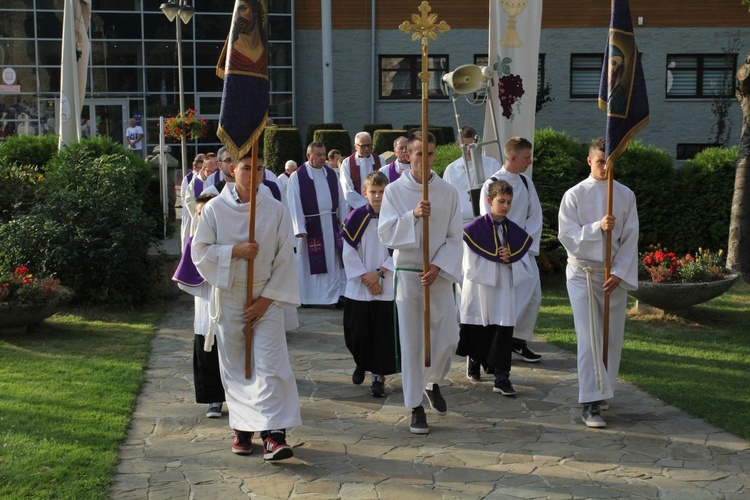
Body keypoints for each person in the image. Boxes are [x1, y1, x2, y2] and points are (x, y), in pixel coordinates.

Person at [192, 152, 301, 460]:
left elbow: (284, 258)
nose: (253, 173)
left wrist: (265, 301)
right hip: (230, 295)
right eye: (246, 167)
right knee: (238, 367)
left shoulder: (276, 210)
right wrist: (235, 251)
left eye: (260, 167)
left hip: (266, 297)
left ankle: (274, 435)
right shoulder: (214, 209)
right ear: (231, 169)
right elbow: (200, 252)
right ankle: (242, 429)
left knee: (270, 365)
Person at [377, 131, 463, 434]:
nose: (424, 160)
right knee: (413, 341)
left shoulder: (448, 192)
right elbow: (386, 233)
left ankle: (432, 380)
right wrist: (412, 215)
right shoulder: (394, 191)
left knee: (449, 336)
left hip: (437, 273)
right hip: (409, 274)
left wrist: (439, 266)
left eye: (429, 154)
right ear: (407, 156)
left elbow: (456, 237)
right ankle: (415, 404)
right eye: (418, 154)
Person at [557, 137, 639, 429]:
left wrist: (619, 271)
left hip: (612, 275)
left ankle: (603, 390)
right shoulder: (575, 195)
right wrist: (597, 228)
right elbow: (567, 237)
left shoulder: (625, 195)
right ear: (590, 161)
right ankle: (589, 402)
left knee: (611, 337)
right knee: (589, 337)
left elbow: (631, 238)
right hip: (583, 274)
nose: (606, 167)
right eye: (601, 161)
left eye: (610, 161)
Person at [456, 180, 533, 396]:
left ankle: (502, 377)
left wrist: (511, 260)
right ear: (490, 201)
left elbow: (525, 264)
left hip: (503, 288)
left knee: (502, 329)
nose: (506, 206)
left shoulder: (514, 231)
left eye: (509, 202)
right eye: (501, 201)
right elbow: (468, 266)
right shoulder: (472, 230)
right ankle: (474, 361)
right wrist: (494, 259)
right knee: (478, 325)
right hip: (480, 287)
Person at [478, 137, 544, 369]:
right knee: (506, 300)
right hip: (502, 252)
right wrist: (500, 249)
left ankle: (518, 340)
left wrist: (525, 244)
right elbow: (487, 218)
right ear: (513, 157)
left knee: (533, 295)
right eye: (526, 157)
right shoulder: (492, 183)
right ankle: (499, 344)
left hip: (523, 249)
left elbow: (535, 215)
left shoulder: (526, 183)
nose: (530, 161)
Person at [341, 171, 398, 398]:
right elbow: (347, 250)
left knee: (381, 334)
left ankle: (378, 376)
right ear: (364, 193)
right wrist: (366, 277)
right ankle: (360, 362)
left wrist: (380, 273)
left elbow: (401, 250)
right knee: (357, 332)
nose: (377, 196)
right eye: (373, 192)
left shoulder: (394, 218)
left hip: (386, 284)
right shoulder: (356, 217)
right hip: (360, 286)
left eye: (382, 192)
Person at [172, 193, 226, 419]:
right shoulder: (192, 243)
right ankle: (213, 398)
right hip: (206, 306)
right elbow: (185, 281)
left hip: (230, 304)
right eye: (199, 214)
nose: (203, 218)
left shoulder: (230, 241)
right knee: (207, 352)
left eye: (207, 213)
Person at [287, 142, 347, 307]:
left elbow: (341, 199)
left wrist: (343, 221)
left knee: (334, 261)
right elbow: (293, 202)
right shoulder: (298, 176)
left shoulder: (331, 174)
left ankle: (335, 296)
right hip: (311, 227)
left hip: (331, 224)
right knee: (310, 262)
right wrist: (298, 227)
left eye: (324, 154)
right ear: (309, 156)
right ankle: (308, 297)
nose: (322, 158)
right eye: (318, 155)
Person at [443, 126, 501, 225]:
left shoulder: (492, 164)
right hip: (462, 223)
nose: (469, 150)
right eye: (465, 146)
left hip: (488, 221)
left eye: (471, 145)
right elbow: (446, 199)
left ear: (478, 142)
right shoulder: (451, 170)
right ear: (458, 144)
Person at [340, 132, 382, 211]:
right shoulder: (347, 163)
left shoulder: (380, 160)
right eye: (363, 146)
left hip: (378, 208)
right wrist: (365, 206)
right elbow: (347, 190)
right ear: (355, 146)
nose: (366, 149)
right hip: (356, 209)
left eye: (369, 146)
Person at [228, 0, 268, 76]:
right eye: (235, 12)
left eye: (242, 8)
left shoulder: (265, 50)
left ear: (255, 12)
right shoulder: (233, 54)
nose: (238, 16)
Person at [180, 154, 206, 248]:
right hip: (190, 212)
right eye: (200, 167)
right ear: (194, 167)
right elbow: (184, 196)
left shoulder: (208, 178)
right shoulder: (188, 178)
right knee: (188, 233)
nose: (202, 170)